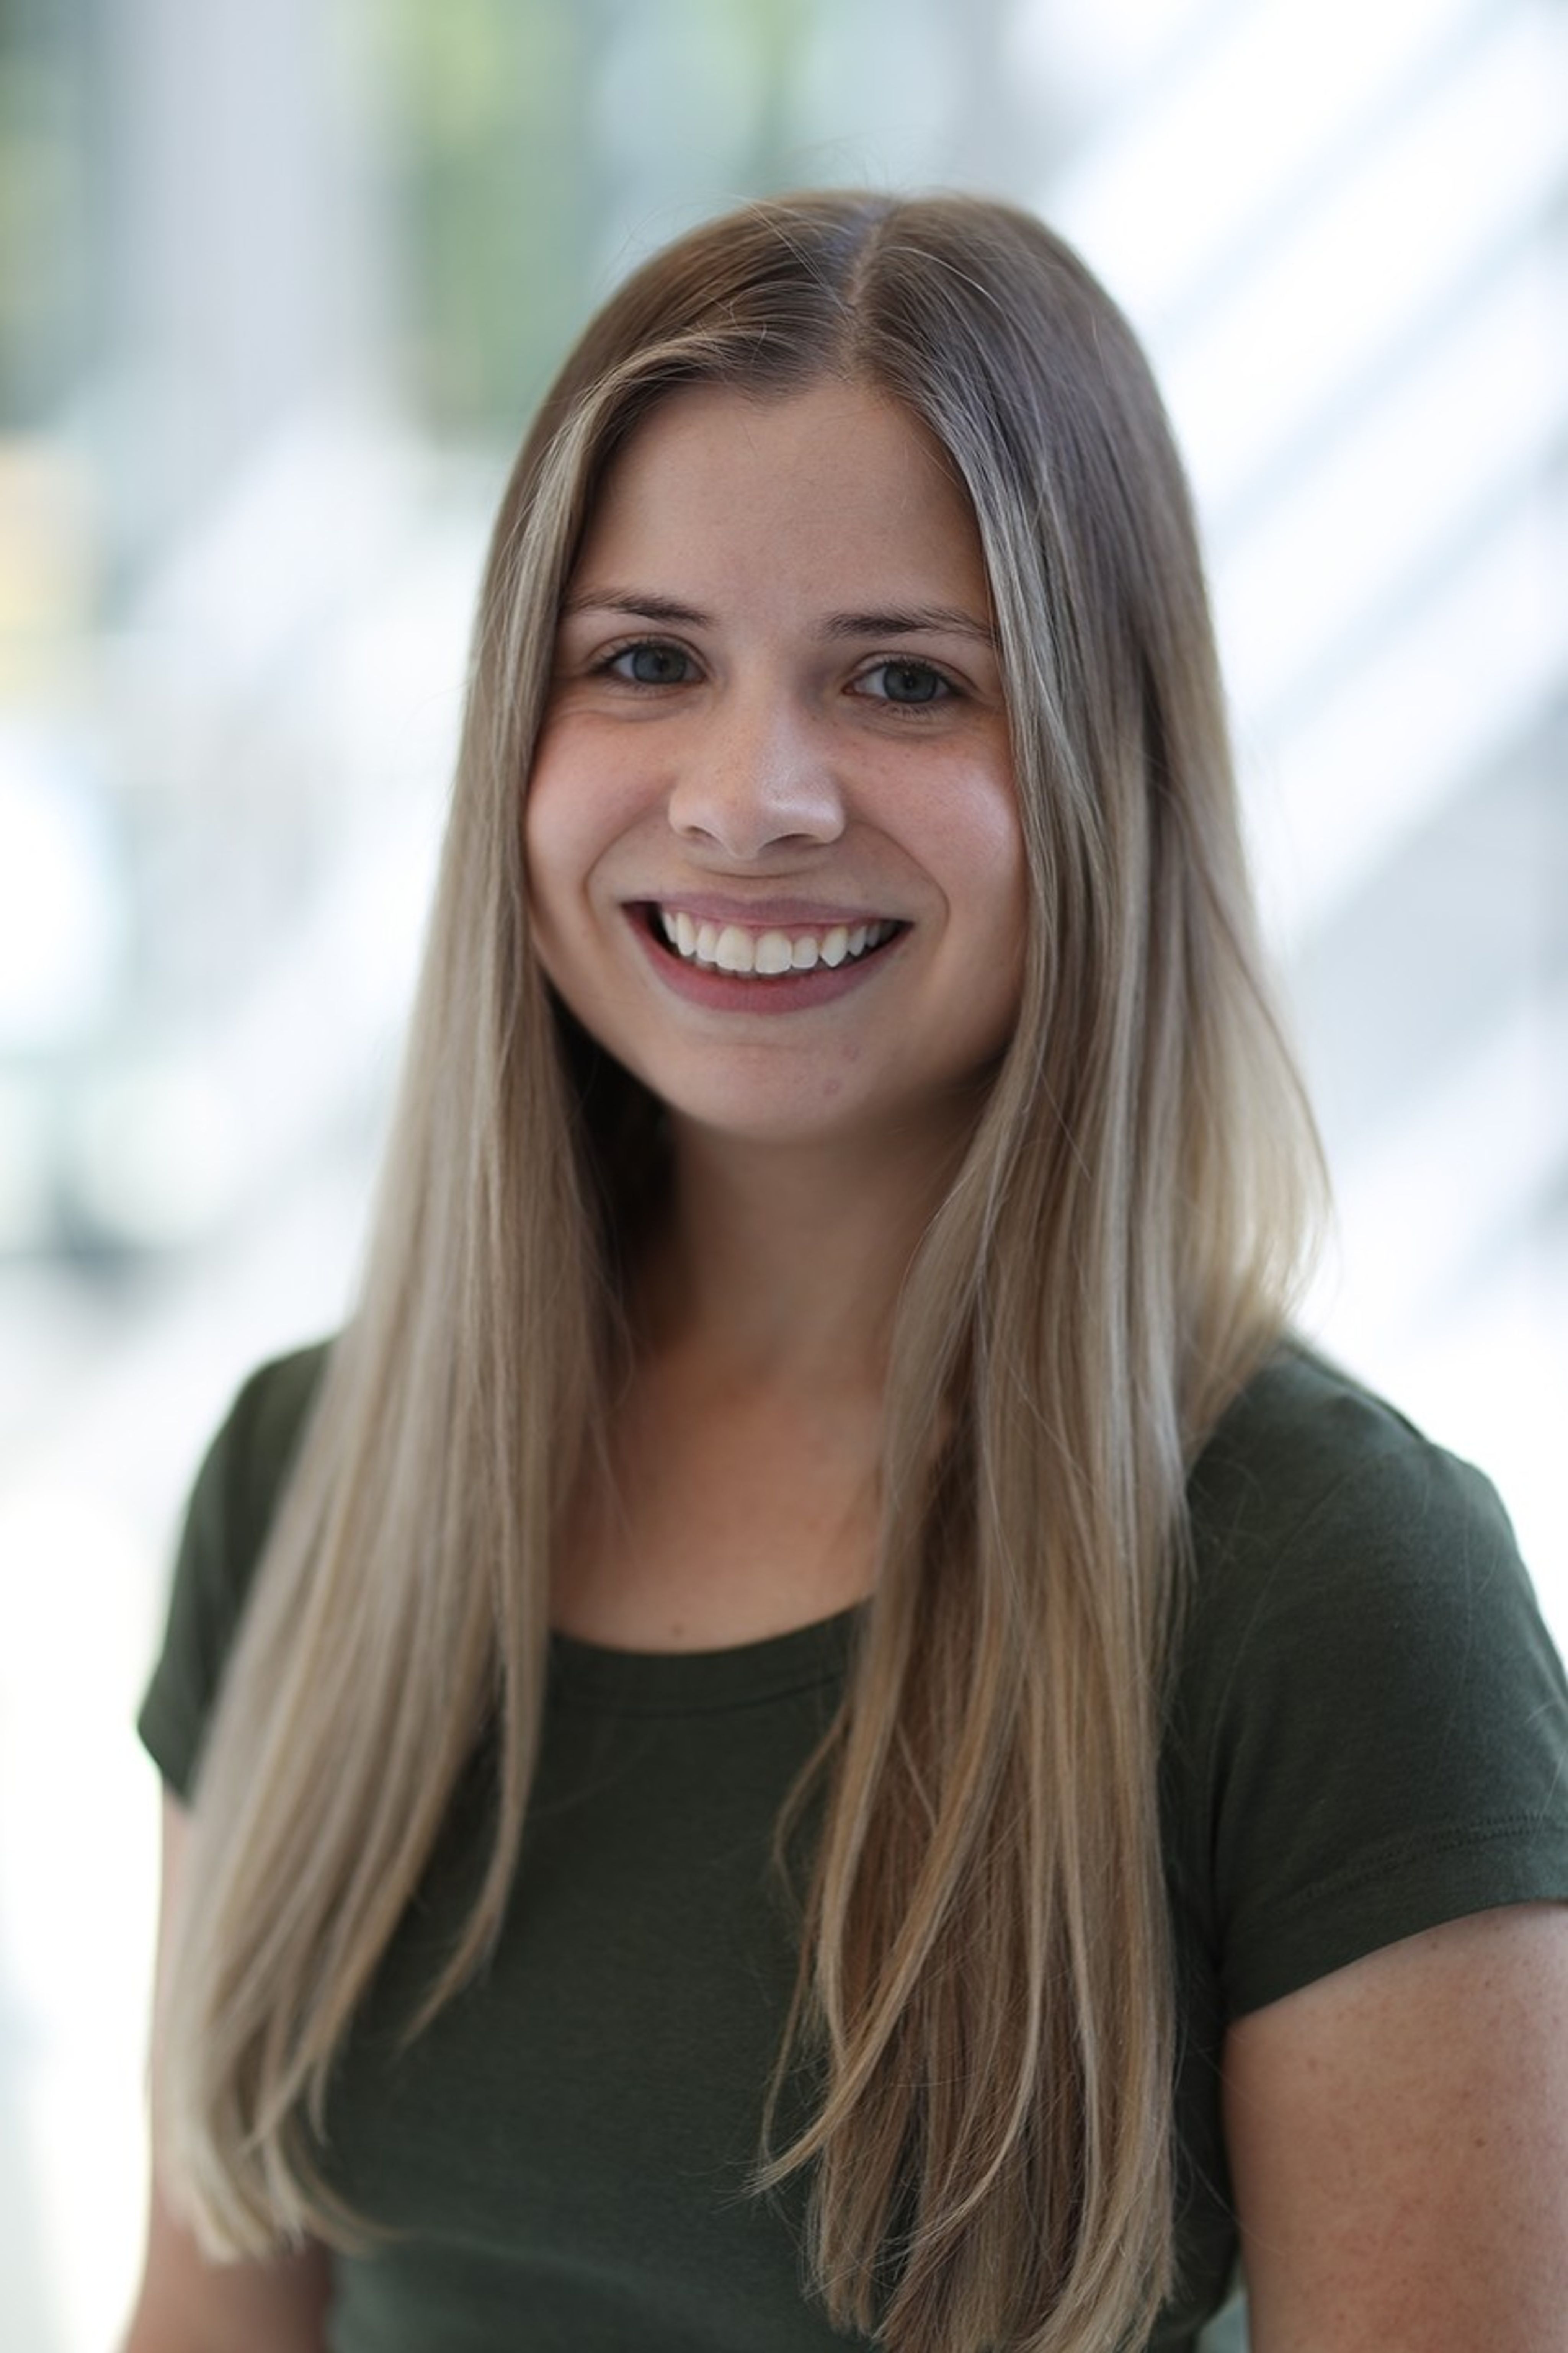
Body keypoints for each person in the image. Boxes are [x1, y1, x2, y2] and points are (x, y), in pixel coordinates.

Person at [124, 191, 1568, 2353]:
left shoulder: (1338, 1592)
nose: (751, 798)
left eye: (904, 679)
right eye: (646, 662)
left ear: (1107, 768)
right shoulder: (305, 1477)